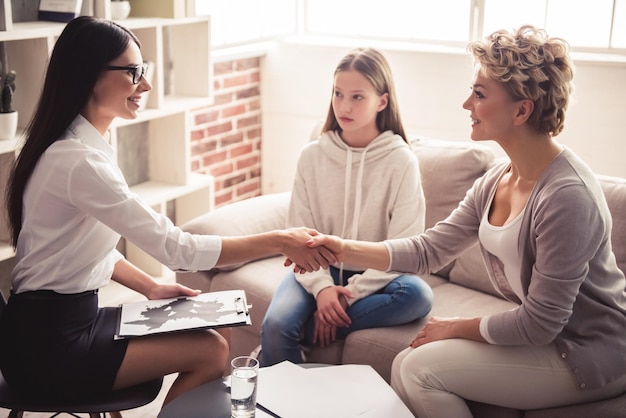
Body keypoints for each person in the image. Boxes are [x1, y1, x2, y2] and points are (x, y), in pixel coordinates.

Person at [0, 16, 334, 408]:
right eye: (134, 72)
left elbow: (80, 248)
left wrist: (151, 288)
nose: (146, 85)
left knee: (217, 331)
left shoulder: (79, 148)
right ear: (91, 75)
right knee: (210, 351)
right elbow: (178, 249)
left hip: (58, 323)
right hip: (50, 347)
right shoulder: (79, 162)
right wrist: (279, 240)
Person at [301, 26, 626, 416]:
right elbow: (429, 249)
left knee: (421, 370)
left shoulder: (567, 197)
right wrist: (342, 248)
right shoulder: (498, 178)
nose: (466, 103)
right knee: (405, 361)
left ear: (521, 110)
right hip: (550, 339)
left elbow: (541, 323)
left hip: (588, 352)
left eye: (480, 93)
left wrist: (457, 326)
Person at [260, 48, 434, 367]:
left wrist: (347, 293)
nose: (343, 106)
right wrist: (324, 289)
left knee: (418, 296)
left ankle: (310, 329)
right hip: (315, 267)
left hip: (377, 270)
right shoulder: (312, 156)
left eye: (357, 97)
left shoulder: (401, 161)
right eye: (338, 94)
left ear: (381, 101)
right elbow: (299, 232)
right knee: (274, 325)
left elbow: (405, 246)